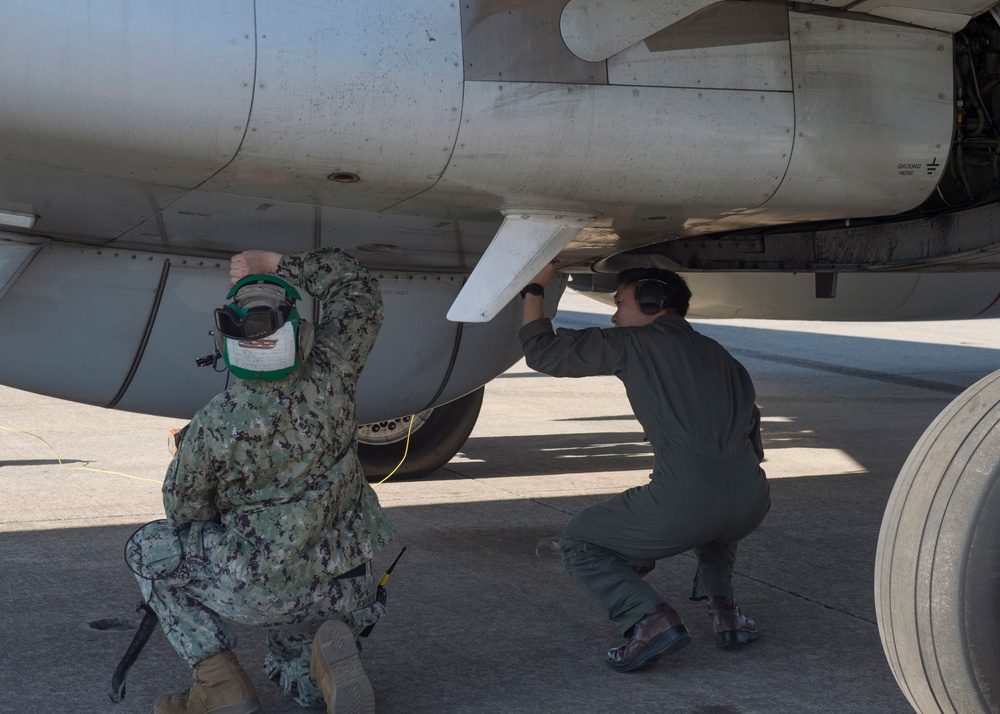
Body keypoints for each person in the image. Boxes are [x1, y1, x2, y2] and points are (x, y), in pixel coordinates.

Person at [124, 247, 395, 714]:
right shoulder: (334, 375)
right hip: (343, 582)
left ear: (225, 341)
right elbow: (357, 289)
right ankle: (320, 671)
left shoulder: (214, 424)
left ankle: (220, 687)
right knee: (285, 658)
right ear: (300, 333)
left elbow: (184, 511)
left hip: (261, 587)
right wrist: (276, 264)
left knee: (148, 548)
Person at [518, 262, 770, 672]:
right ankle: (725, 612)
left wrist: (533, 290)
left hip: (687, 504)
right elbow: (752, 443)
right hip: (751, 500)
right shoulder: (723, 356)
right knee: (717, 516)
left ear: (653, 300)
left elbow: (543, 353)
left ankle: (649, 620)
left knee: (580, 540)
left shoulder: (635, 342)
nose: (614, 316)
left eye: (620, 303)